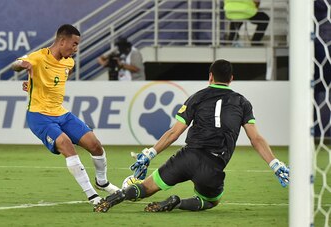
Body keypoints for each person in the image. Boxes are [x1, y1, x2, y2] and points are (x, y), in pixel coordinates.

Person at [93, 59, 290, 213]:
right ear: (231, 79)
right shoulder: (242, 103)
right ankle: (177, 203)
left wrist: (149, 154)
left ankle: (117, 196)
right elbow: (256, 139)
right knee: (211, 201)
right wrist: (275, 164)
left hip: (186, 157)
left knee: (145, 188)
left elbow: (173, 133)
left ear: (210, 76)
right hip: (212, 166)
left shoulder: (196, 97)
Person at [11, 24, 119, 205]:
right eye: (74, 44)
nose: (76, 49)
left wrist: (31, 85)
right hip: (39, 116)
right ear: (62, 41)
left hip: (61, 113)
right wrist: (22, 64)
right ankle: (92, 195)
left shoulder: (69, 62)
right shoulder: (38, 57)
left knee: (95, 145)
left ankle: (102, 182)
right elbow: (15, 65)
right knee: (66, 144)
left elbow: (51, 83)